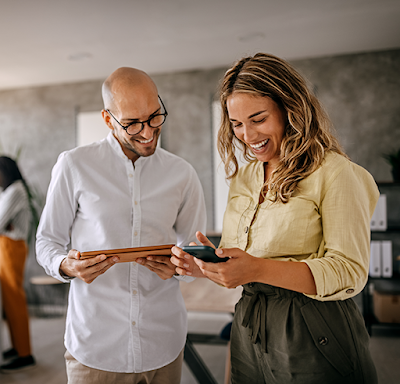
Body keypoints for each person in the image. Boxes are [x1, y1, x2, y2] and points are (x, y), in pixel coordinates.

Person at [171, 53, 379, 384]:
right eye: (237, 124)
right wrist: (204, 267)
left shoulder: (335, 172)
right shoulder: (245, 178)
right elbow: (243, 257)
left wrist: (255, 268)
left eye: (258, 119)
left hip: (314, 327)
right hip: (250, 325)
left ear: (289, 109)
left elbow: (349, 271)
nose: (247, 136)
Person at [36, 67, 206, 383]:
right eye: (132, 123)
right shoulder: (74, 165)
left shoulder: (182, 174)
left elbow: (193, 249)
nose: (147, 131)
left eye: (155, 116)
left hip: (164, 342)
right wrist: (66, 266)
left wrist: (185, 265)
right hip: (97, 347)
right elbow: (47, 241)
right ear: (107, 119)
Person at [0, 156, 36, 372]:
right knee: (9, 299)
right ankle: (17, 347)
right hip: (7, 245)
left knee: (14, 298)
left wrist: (5, 226)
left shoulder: (15, 190)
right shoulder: (8, 191)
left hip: (11, 247)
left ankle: (25, 353)